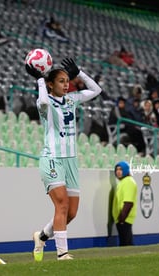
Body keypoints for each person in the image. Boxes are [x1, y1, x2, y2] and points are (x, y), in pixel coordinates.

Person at [25, 57, 101, 261]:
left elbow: (96, 90)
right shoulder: (46, 101)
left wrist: (81, 73)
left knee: (72, 213)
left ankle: (41, 237)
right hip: (53, 158)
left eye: (68, 80)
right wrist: (40, 80)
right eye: (61, 81)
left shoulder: (72, 99)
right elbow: (41, 101)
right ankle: (62, 254)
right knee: (61, 205)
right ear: (51, 84)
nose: (66, 84)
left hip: (71, 161)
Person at [112, 161, 137, 246]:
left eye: (121, 169)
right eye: (117, 169)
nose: (118, 172)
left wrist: (122, 219)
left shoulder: (128, 182)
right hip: (122, 218)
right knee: (126, 242)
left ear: (126, 170)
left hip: (124, 219)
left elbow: (128, 202)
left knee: (126, 243)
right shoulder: (123, 182)